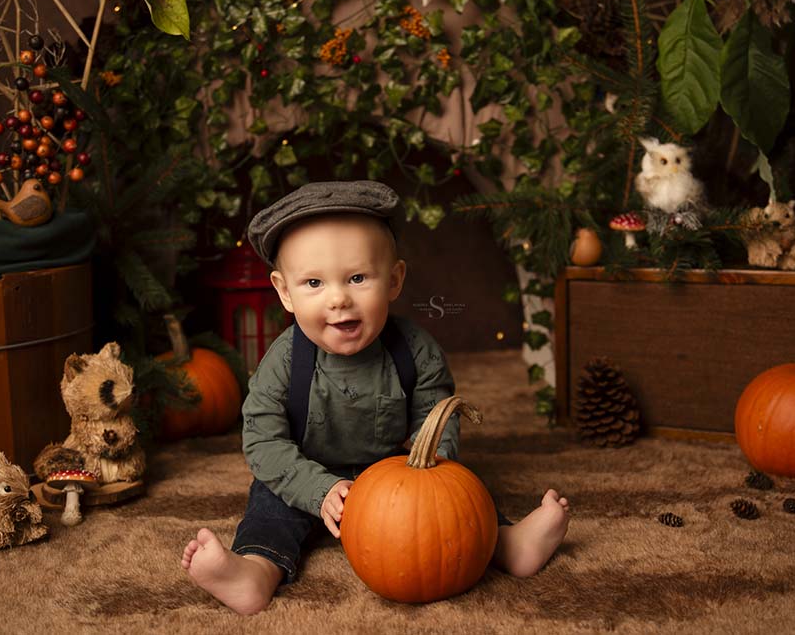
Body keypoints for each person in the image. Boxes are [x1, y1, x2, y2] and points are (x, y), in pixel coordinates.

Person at [181, 181, 570, 615]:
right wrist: (318, 489)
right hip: (307, 472)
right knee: (269, 507)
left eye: (358, 278)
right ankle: (255, 571)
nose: (338, 298)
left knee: (458, 501)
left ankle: (507, 543)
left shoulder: (415, 350)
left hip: (395, 476)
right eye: (314, 282)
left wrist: (432, 466)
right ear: (285, 291)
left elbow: (435, 416)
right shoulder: (283, 362)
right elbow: (263, 441)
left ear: (394, 280)